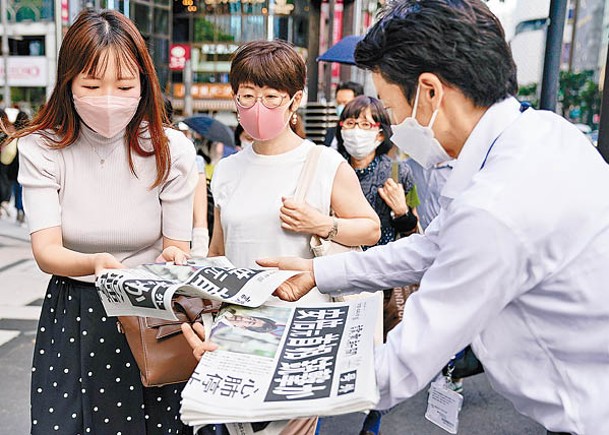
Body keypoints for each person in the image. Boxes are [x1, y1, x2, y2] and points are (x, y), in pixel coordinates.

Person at [258, 1, 609, 434]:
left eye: (390, 106)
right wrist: (320, 270)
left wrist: (258, 374)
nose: (396, 124)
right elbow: (432, 246)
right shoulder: (543, 133)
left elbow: (404, 362)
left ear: (429, 92)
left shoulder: (497, 207)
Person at [183, 39, 380, 435]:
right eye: (247, 96)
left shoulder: (324, 163)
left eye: (272, 97)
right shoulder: (227, 169)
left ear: (295, 101)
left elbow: (370, 229)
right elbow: (220, 250)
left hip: (302, 337)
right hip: (237, 332)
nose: (258, 108)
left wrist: (318, 223)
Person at [14, 10, 197, 434]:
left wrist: (175, 254)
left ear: (144, 85)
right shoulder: (42, 148)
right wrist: (96, 264)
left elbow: (177, 244)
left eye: (125, 86)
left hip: (151, 309)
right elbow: (47, 252)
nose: (110, 98)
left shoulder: (173, 149)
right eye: (92, 86)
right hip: (76, 310)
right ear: (68, 83)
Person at [335, 94, 418, 435]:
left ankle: (375, 416)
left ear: (381, 133)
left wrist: (401, 211)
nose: (356, 132)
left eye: (365, 124)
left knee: (379, 353)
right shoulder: (331, 168)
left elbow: (414, 231)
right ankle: (319, 414)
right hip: (339, 272)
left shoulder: (399, 173)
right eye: (350, 123)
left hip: (382, 278)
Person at [323, 81, 364, 149]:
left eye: (345, 103)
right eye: (338, 103)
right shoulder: (331, 132)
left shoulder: (367, 133)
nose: (341, 107)